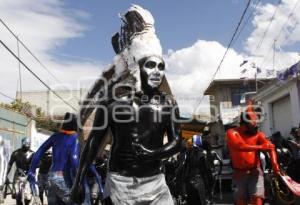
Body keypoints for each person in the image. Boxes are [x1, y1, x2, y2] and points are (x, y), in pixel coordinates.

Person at [71, 5, 182, 205]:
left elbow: (177, 143)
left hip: (156, 183)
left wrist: (151, 154)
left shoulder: (169, 104)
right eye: (150, 65)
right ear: (138, 68)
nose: (156, 71)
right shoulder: (112, 103)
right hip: (120, 185)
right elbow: (93, 143)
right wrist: (78, 181)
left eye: (161, 66)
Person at [226, 101, 280, 205]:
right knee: (240, 201)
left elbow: (270, 148)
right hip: (239, 173)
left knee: (257, 199)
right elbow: (239, 146)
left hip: (255, 172)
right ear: (245, 121)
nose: (256, 123)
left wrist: (275, 165)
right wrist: (260, 146)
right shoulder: (232, 132)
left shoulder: (259, 134)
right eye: (253, 121)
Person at [27, 112, 79, 205]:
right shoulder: (75, 138)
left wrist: (32, 170)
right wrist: (77, 180)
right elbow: (74, 160)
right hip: (63, 176)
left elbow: (39, 151)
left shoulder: (55, 136)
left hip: (51, 176)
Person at [5, 137, 34, 205]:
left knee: (28, 197)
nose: (28, 145)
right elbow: (10, 164)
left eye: (29, 144)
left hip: (27, 176)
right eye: (26, 143)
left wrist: (29, 170)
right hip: (17, 176)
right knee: (17, 195)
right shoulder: (15, 153)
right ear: (22, 143)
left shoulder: (32, 154)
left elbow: (37, 164)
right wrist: (5, 175)